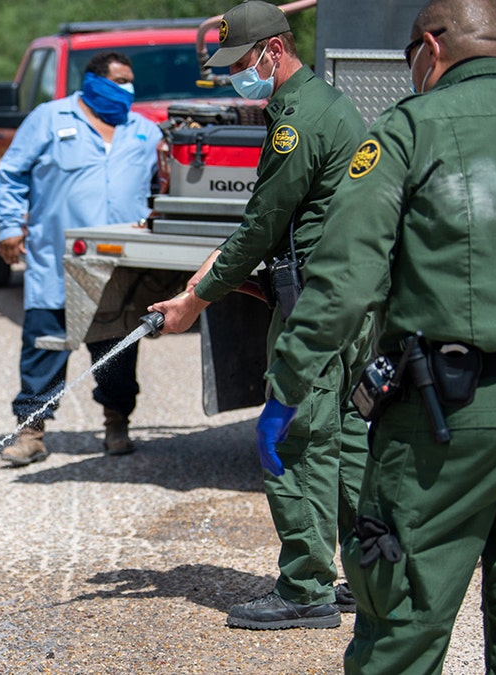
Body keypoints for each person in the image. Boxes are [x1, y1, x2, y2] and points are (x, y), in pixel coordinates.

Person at [261, 0, 496, 670]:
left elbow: (344, 280)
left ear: (431, 46)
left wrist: (285, 388)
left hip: (451, 414)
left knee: (403, 615)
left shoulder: (409, 130)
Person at [150, 1, 371, 629]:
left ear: (273, 51)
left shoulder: (296, 122)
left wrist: (197, 297)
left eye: (240, 63)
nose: (233, 77)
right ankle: (362, 578)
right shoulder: (329, 104)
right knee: (349, 440)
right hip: (350, 302)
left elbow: (262, 227)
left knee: (296, 440)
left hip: (314, 309)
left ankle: (305, 591)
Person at [0, 50, 163, 466]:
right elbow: (11, 174)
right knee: (45, 346)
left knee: (118, 350)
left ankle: (117, 423)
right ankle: (31, 432)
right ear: (93, 81)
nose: (127, 89)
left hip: (120, 268)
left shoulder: (145, 131)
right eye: (120, 80)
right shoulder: (49, 119)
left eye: (130, 82)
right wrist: (10, 226)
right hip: (58, 261)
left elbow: (162, 187)